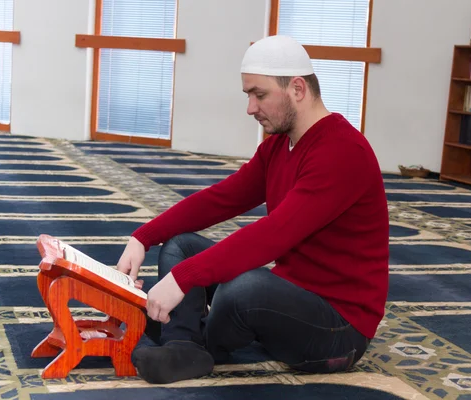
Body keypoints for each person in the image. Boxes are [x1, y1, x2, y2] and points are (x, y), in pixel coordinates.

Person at [116, 35, 390, 385]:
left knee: (243, 288)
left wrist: (183, 281)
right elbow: (220, 199)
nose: (250, 107)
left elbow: (273, 236)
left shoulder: (342, 151)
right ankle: (184, 345)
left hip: (338, 328)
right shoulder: (280, 145)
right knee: (180, 246)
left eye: (259, 95)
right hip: (289, 294)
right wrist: (143, 236)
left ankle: (190, 331)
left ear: (297, 89)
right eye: (248, 95)